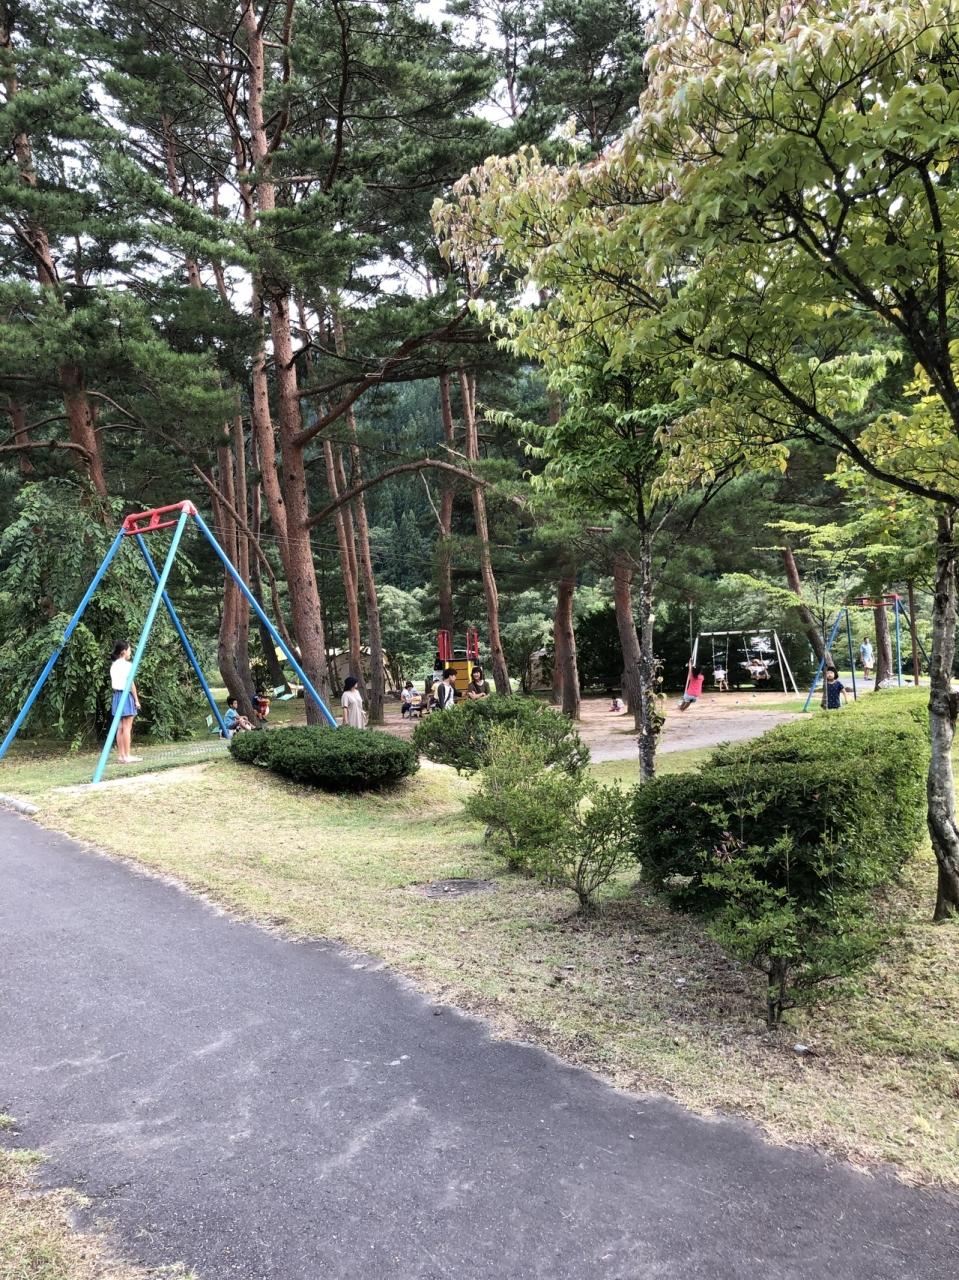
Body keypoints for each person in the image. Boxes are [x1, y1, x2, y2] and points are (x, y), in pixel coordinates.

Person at [109, 641, 141, 763]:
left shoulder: (113, 665)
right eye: (129, 650)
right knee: (127, 727)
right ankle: (127, 756)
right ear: (123, 651)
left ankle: (121, 755)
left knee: (120, 727)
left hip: (117, 696)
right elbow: (131, 683)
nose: (130, 652)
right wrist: (136, 700)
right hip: (126, 695)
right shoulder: (128, 665)